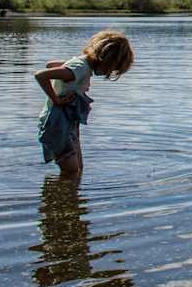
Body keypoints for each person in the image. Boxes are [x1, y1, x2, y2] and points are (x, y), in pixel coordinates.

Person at [35, 30, 134, 177]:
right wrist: (56, 98)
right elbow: (41, 75)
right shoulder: (80, 68)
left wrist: (68, 68)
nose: (110, 72)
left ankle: (71, 196)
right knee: (71, 171)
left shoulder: (81, 66)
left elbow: (51, 65)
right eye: (113, 68)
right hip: (57, 123)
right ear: (106, 59)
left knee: (79, 168)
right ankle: (63, 197)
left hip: (69, 122)